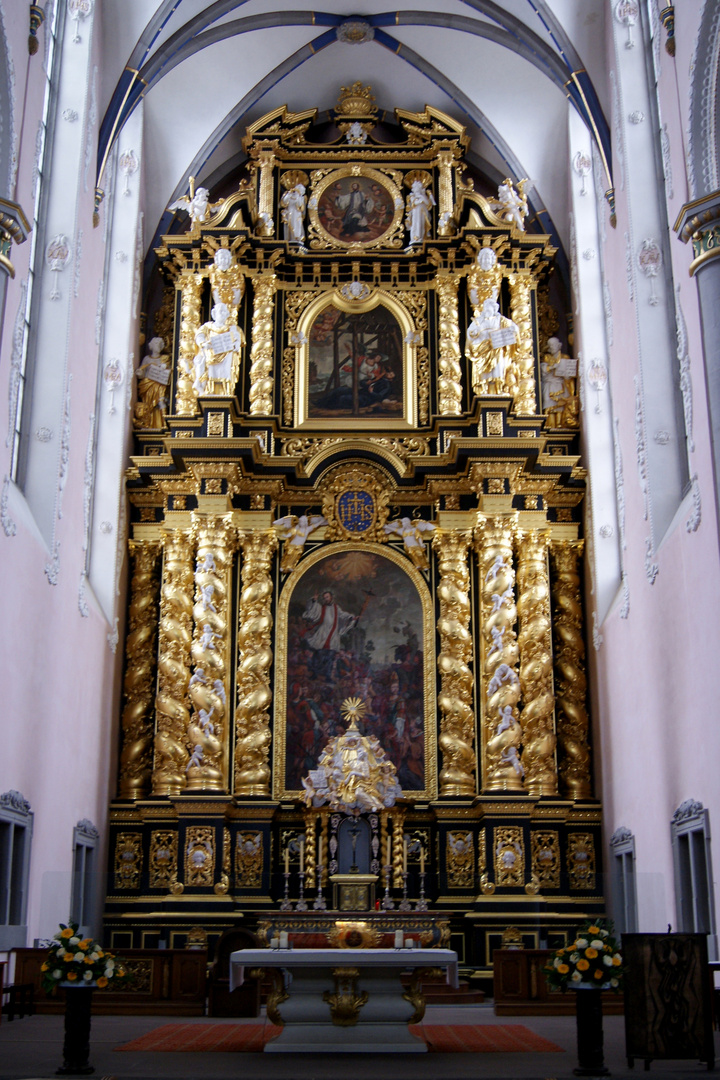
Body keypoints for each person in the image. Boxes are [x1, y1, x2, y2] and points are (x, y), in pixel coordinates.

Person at [301, 589, 358, 680]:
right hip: (322, 634)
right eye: (324, 598)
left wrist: (351, 617)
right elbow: (312, 610)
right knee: (318, 655)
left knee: (330, 656)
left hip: (333, 635)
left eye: (327, 597)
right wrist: (314, 600)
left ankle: (328, 676)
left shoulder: (336, 608)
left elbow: (343, 615)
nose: (326, 599)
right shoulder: (322, 608)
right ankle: (314, 674)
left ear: (331, 597)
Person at [193, 302, 244, 396]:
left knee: (231, 355)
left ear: (227, 315)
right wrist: (204, 343)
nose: (223, 314)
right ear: (214, 313)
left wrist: (235, 345)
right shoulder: (207, 327)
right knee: (206, 361)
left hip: (226, 357)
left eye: (225, 312)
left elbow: (237, 341)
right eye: (221, 311)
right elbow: (199, 336)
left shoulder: (232, 329)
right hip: (211, 354)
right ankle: (208, 389)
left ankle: (227, 391)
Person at [134, 336, 170, 429]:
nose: (158, 346)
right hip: (148, 384)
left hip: (159, 385)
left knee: (160, 403)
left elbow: (169, 372)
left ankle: (163, 423)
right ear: (152, 346)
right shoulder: (147, 359)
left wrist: (164, 367)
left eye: (160, 344)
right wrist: (140, 373)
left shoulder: (164, 358)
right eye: (156, 344)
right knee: (148, 404)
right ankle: (149, 423)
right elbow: (142, 373)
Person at [405, 179, 435, 246]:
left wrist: (422, 197)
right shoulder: (412, 196)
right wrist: (420, 200)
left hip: (422, 213)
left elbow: (428, 203)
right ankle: (415, 238)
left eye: (418, 188)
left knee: (421, 225)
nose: (417, 189)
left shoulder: (423, 196)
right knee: (415, 225)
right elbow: (413, 203)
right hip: (415, 213)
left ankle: (421, 237)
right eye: (415, 188)